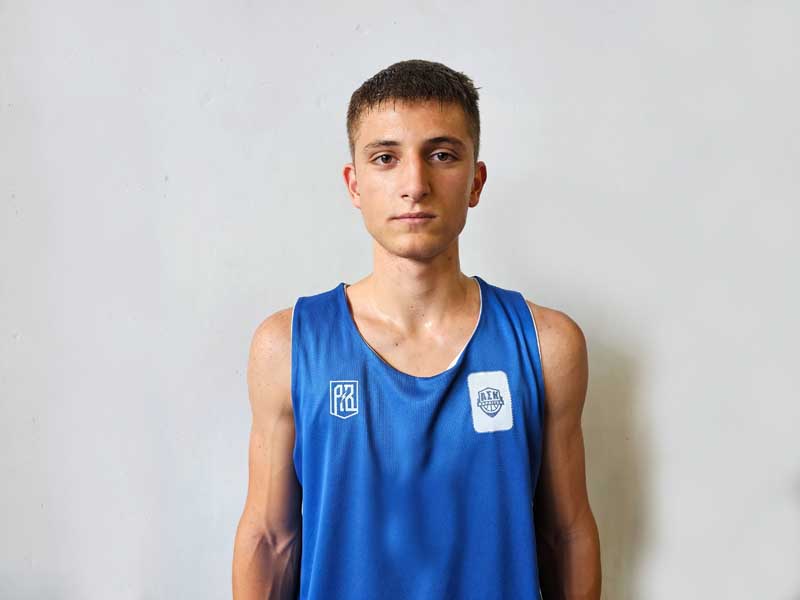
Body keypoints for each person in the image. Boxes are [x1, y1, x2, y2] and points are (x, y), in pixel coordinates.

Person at [232, 58, 601, 599]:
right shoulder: (287, 345)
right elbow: (270, 539)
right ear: (354, 184)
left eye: (442, 155)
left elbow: (565, 535)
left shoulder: (547, 344)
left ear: (475, 181)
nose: (415, 185)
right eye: (386, 158)